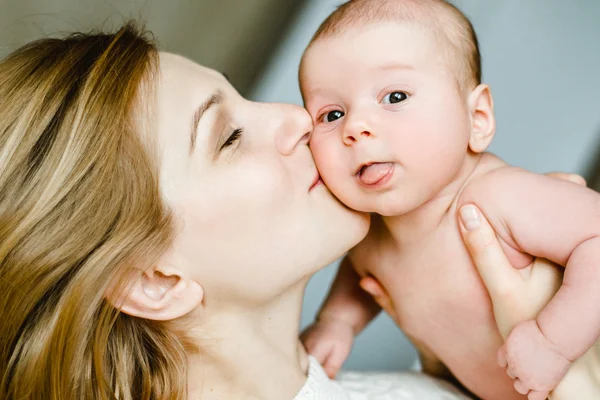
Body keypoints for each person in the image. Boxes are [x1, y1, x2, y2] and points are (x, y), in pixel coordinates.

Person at [299, 1, 600, 399]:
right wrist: (337, 320)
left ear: (477, 118)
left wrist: (554, 342)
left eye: (395, 96)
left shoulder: (495, 197)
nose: (355, 127)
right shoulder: (369, 233)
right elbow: (361, 272)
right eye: (332, 114)